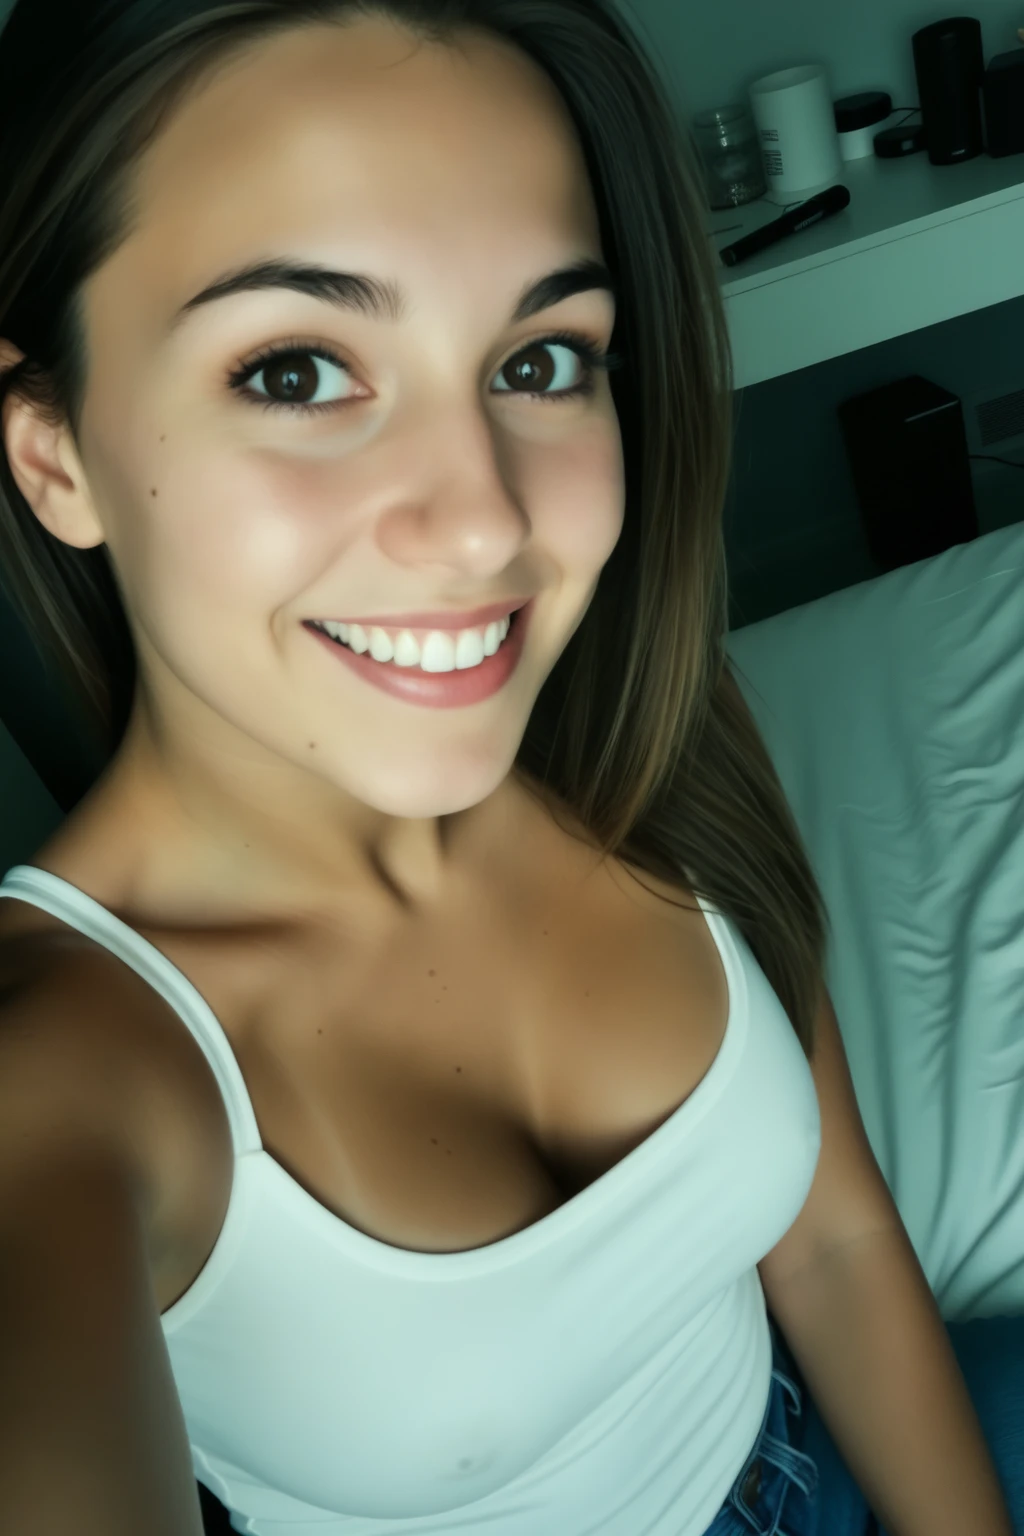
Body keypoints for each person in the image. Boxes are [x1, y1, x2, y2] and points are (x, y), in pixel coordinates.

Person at [0, 4, 1020, 1535]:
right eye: (294, 373)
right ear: (54, 455)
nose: (484, 523)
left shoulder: (641, 724)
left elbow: (831, 1247)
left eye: (542, 357)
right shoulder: (66, 1081)